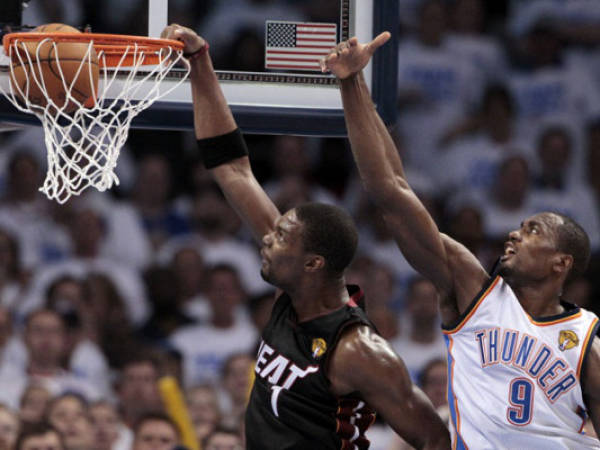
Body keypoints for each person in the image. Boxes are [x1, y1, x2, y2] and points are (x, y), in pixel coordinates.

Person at [161, 24, 450, 450]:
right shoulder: (292, 295)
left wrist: (352, 83)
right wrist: (201, 61)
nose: (265, 239)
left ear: (313, 262)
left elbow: (435, 439)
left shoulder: (359, 350)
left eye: (280, 238)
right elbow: (231, 167)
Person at [321, 31, 600, 448]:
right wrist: (351, 83)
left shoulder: (586, 338)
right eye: (519, 226)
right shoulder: (474, 291)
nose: (513, 233)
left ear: (562, 263)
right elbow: (392, 191)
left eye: (532, 231)